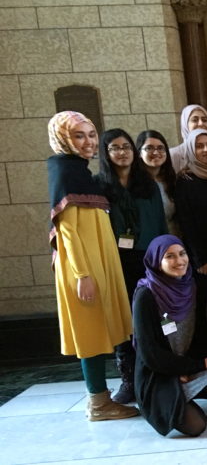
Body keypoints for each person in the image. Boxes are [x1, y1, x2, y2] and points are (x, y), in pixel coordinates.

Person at [45, 111, 138, 421]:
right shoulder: (65, 171)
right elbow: (68, 232)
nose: (88, 142)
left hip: (98, 261)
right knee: (90, 333)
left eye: (91, 134)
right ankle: (98, 403)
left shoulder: (79, 170)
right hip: (82, 267)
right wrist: (82, 275)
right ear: (63, 139)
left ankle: (102, 400)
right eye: (79, 135)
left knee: (100, 328)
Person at [95, 128, 169, 403]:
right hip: (114, 260)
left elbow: (160, 224)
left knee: (148, 315)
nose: (122, 152)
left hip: (147, 259)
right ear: (106, 152)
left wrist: (162, 259)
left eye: (126, 146)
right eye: (115, 147)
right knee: (122, 317)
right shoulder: (99, 186)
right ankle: (128, 378)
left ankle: (151, 372)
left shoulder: (146, 184)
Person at [133, 235, 207, 437]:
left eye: (182, 254)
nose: (179, 261)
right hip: (157, 374)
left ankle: (180, 398)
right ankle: (162, 401)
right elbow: (150, 353)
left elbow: (201, 336)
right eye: (170, 256)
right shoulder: (146, 295)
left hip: (185, 365)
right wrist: (186, 368)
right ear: (156, 262)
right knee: (196, 426)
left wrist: (189, 366)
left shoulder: (193, 287)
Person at [174, 129, 207, 352]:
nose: (206, 150)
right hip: (203, 255)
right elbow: (186, 222)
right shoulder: (186, 180)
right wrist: (199, 259)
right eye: (199, 146)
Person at [138, 130, 181, 236]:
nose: (156, 152)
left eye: (161, 148)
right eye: (149, 148)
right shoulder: (133, 183)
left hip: (173, 242)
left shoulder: (171, 181)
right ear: (139, 152)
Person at [170, 104, 207, 173]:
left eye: (204, 120)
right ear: (185, 124)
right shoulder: (173, 155)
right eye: (195, 120)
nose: (201, 123)